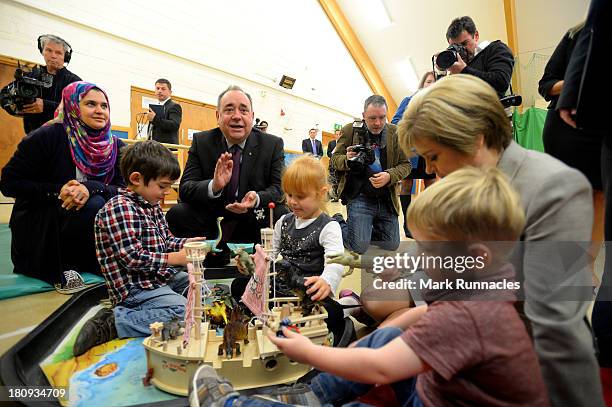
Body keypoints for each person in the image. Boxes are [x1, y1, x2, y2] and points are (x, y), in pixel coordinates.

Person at [189, 167, 549, 407]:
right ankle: (308, 395)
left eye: (428, 250)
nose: (419, 258)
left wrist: (308, 352)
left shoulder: (467, 317)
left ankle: (236, 404)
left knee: (367, 373)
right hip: (441, 390)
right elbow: (424, 313)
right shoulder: (489, 287)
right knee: (387, 337)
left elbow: (379, 368)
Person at [392, 74, 603, 406]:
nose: (432, 171)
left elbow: (554, 323)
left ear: (473, 139)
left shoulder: (555, 188)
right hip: (461, 351)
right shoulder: (466, 181)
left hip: (515, 369)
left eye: (434, 156)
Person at [72, 140, 205, 356]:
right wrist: (176, 258)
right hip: (134, 291)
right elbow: (133, 258)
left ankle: (157, 306)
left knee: (200, 294)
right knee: (185, 312)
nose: (167, 192)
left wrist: (187, 245)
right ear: (136, 179)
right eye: (162, 186)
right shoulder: (120, 208)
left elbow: (165, 242)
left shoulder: (150, 205)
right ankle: (115, 322)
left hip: (157, 279)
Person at [0, 81, 124, 292]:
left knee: (102, 201)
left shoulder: (115, 146)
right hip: (43, 218)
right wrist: (59, 191)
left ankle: (95, 260)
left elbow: (123, 187)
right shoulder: (47, 136)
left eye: (104, 106)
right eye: (90, 104)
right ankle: (67, 266)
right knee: (92, 203)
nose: (99, 111)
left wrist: (91, 187)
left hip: (89, 222)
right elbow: (9, 183)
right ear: (72, 105)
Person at [166, 85, 287, 265]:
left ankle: (258, 258)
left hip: (252, 218)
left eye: (243, 110)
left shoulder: (272, 144)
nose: (237, 116)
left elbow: (278, 189)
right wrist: (213, 186)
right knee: (177, 214)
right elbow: (185, 189)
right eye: (229, 109)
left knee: (281, 214)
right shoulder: (202, 141)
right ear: (218, 116)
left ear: (252, 117)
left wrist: (255, 199)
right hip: (212, 219)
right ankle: (211, 254)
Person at [232, 155, 347, 341]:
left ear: (321, 193)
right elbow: (270, 254)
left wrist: (326, 281)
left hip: (308, 292)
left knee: (334, 312)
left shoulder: (328, 226)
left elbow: (336, 261)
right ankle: (265, 320)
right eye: (289, 194)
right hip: (278, 288)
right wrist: (253, 264)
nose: (292, 201)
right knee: (238, 285)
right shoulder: (283, 221)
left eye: (300, 196)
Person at [556, 0, 612, 370]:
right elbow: (550, 83)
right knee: (583, 210)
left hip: (593, 119)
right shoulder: (574, 35)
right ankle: (579, 279)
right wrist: (574, 90)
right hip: (579, 132)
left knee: (600, 212)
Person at [538, 21, 603, 287]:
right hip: (566, 128)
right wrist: (579, 81)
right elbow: (546, 85)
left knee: (600, 198)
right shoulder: (577, 34)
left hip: (602, 130)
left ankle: (585, 267)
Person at [331, 95, 411, 254]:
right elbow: (334, 160)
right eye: (372, 118)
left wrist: (389, 175)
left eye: (382, 117)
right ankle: (337, 222)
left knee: (392, 244)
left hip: (386, 198)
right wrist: (347, 160)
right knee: (359, 247)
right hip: (359, 196)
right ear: (363, 116)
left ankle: (363, 230)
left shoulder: (395, 133)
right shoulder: (350, 130)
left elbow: (406, 165)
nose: (377, 123)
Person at [391, 71, 437, 238]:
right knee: (407, 184)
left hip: (430, 151)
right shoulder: (408, 101)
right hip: (411, 150)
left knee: (431, 183)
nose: (431, 85)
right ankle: (408, 222)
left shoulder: (439, 105)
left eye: (435, 82)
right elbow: (395, 122)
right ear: (422, 83)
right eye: (429, 81)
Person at [440, 16, 514, 97]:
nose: (460, 50)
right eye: (455, 47)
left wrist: (464, 70)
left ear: (476, 35)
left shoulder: (496, 49)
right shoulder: (457, 64)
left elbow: (501, 82)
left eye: (464, 43)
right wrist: (442, 70)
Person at [21, 34, 81, 133]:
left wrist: (46, 105)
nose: (53, 56)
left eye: (58, 53)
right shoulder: (32, 75)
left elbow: (78, 111)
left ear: (65, 57)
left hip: (61, 140)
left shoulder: (75, 82)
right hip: (33, 137)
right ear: (42, 52)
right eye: (49, 50)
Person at [147, 78, 182, 145]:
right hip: (153, 147)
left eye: (163, 89)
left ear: (170, 92)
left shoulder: (174, 106)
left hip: (167, 149)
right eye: (157, 88)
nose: (159, 91)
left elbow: (174, 125)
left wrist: (154, 118)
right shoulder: (155, 107)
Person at [326, 129, 341, 201]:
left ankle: (338, 195)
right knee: (332, 179)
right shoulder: (331, 143)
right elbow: (328, 152)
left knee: (338, 179)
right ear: (335, 135)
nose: (338, 136)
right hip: (332, 163)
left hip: (339, 165)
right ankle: (332, 195)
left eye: (339, 134)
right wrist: (332, 156)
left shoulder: (342, 143)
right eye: (336, 134)